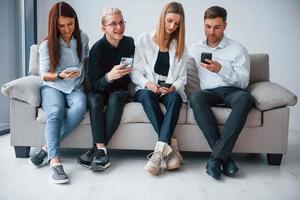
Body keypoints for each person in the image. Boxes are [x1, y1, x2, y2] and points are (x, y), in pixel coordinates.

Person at [28, 2, 89, 184]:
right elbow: (44, 75)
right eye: (61, 26)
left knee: (80, 107)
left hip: (75, 88)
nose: (67, 29)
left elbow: (85, 61)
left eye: (70, 24)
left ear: (75, 21)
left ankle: (46, 148)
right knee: (55, 113)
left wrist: (83, 75)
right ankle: (55, 162)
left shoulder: (83, 38)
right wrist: (60, 75)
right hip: (54, 87)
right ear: (54, 25)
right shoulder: (47, 45)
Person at [190, 6, 253, 180]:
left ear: (225, 26)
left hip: (233, 91)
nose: (211, 31)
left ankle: (216, 158)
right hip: (208, 93)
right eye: (207, 26)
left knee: (246, 98)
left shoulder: (238, 49)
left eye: (217, 27)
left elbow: (243, 82)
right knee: (195, 97)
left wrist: (221, 69)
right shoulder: (195, 49)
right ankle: (225, 159)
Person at [131, 2, 187, 176]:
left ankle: (158, 153)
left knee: (176, 99)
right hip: (147, 87)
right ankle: (170, 148)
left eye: (176, 24)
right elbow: (135, 72)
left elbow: (182, 79)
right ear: (162, 18)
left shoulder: (180, 46)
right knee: (147, 96)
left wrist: (173, 88)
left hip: (168, 89)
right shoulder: (144, 39)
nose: (172, 26)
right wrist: (148, 84)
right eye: (169, 21)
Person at [77, 8, 134, 171]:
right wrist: (109, 77)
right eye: (113, 24)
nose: (119, 27)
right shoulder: (97, 49)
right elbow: (94, 84)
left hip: (120, 90)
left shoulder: (129, 42)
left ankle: (96, 150)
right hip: (101, 89)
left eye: (121, 22)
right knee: (94, 98)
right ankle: (101, 151)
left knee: (117, 97)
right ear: (104, 29)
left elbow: (129, 76)